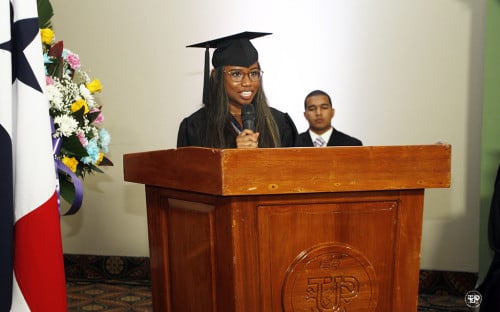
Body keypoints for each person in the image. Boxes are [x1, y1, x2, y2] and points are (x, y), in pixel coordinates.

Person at [177, 32, 298, 148]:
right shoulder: (196, 127)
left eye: (253, 73)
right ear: (215, 76)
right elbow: (189, 169)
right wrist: (234, 153)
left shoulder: (279, 122)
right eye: (236, 74)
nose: (247, 83)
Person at [294, 89, 362, 147]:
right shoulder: (293, 145)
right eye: (312, 109)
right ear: (305, 115)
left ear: (332, 112)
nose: (318, 113)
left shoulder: (352, 145)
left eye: (324, 107)